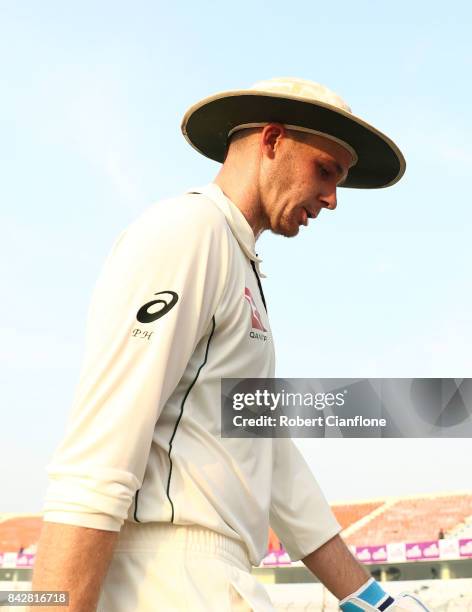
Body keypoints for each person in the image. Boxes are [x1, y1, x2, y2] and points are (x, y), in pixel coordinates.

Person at [30, 78, 429, 611]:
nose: (333, 200)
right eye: (326, 171)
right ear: (272, 141)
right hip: (167, 577)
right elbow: (101, 447)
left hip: (216, 581)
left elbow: (269, 458)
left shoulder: (239, 263)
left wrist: (368, 597)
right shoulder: (190, 231)